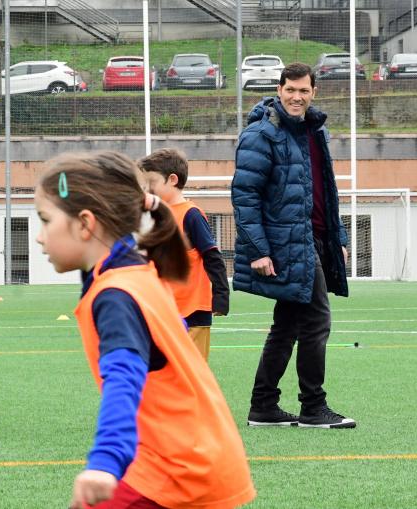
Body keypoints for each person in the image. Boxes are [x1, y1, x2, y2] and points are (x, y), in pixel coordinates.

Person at [36, 151, 256, 509]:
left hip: (175, 473)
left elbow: (123, 376)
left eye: (45, 220)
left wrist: (105, 462)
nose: (39, 237)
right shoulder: (137, 273)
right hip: (197, 458)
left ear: (85, 224)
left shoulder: (116, 295)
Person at [232, 62, 355, 429]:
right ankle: (314, 408)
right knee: (317, 322)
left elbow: (324, 193)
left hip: (313, 241)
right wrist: (259, 250)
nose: (297, 97)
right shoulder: (260, 134)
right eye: (290, 90)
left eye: (304, 90)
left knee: (286, 326)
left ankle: (263, 406)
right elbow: (244, 197)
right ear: (279, 89)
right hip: (286, 246)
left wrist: (339, 238)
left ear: (313, 92)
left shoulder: (316, 132)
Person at [139, 148, 229, 360]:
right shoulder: (160, 216)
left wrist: (221, 296)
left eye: (151, 182)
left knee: (193, 377)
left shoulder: (191, 215)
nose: (147, 189)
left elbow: (212, 257)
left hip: (194, 312)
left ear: (172, 179)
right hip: (167, 311)